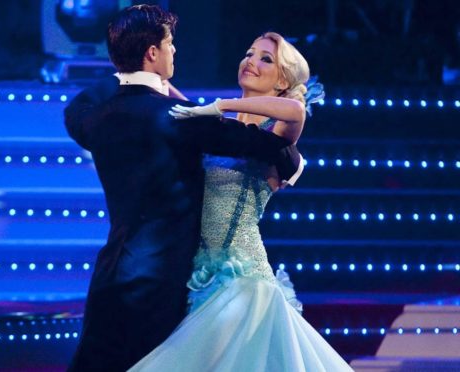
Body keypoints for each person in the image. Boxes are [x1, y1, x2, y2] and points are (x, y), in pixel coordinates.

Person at [63, 5, 302, 372]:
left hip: (124, 279)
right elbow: (274, 149)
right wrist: (205, 107)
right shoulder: (182, 118)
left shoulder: (97, 118)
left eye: (264, 58)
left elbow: (75, 108)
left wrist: (125, 69)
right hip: (169, 285)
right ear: (153, 53)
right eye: (169, 43)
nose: (175, 50)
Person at [128, 33, 353, 371]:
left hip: (243, 279)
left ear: (282, 80)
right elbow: (186, 109)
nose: (251, 61)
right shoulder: (225, 130)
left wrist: (221, 105)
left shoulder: (275, 130)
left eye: (266, 58)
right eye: (249, 53)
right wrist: (157, 83)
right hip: (201, 275)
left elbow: (295, 111)